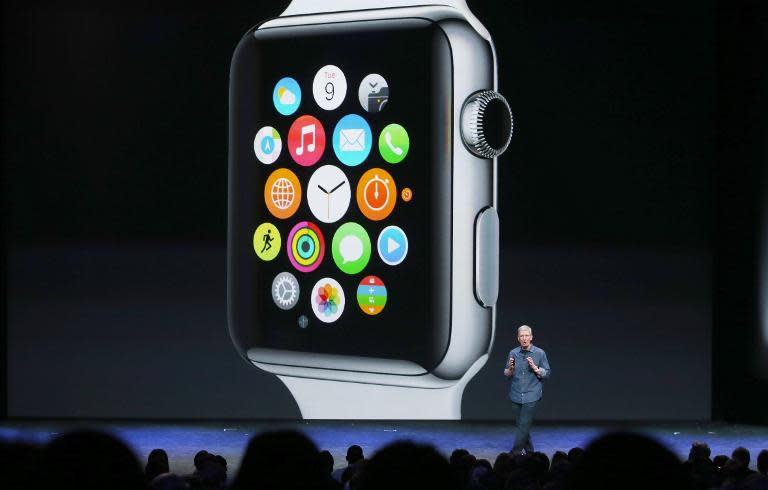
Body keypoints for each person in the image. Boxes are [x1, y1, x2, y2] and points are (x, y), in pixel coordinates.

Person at [503, 324, 551, 454]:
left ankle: (514, 453)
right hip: (516, 395)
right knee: (522, 426)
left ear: (531, 337)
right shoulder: (513, 353)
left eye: (527, 336)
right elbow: (506, 374)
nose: (524, 338)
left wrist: (535, 368)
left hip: (532, 395)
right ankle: (530, 452)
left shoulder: (539, 353)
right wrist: (511, 369)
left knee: (523, 425)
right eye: (522, 336)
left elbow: (547, 373)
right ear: (518, 338)